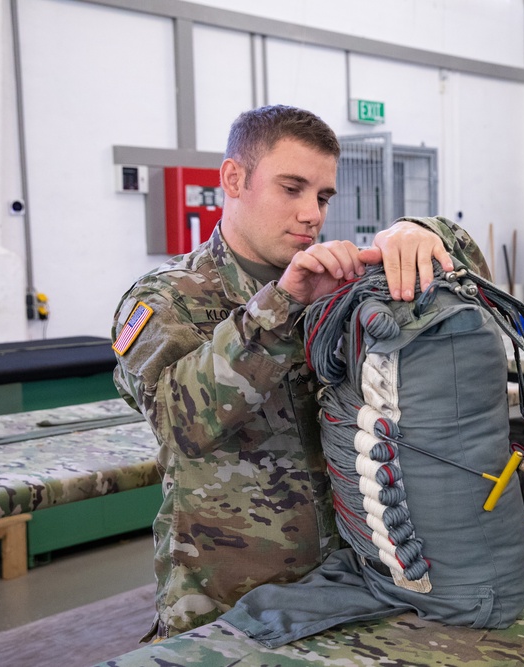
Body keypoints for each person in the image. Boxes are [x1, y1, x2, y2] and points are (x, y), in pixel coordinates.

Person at [111, 104, 489, 640]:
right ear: (234, 178)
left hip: (351, 587)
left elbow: (478, 286)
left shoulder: (336, 285)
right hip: (228, 603)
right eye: (292, 189)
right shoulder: (168, 298)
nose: (312, 213)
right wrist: (281, 305)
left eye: (323, 196)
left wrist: (421, 232)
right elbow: (180, 424)